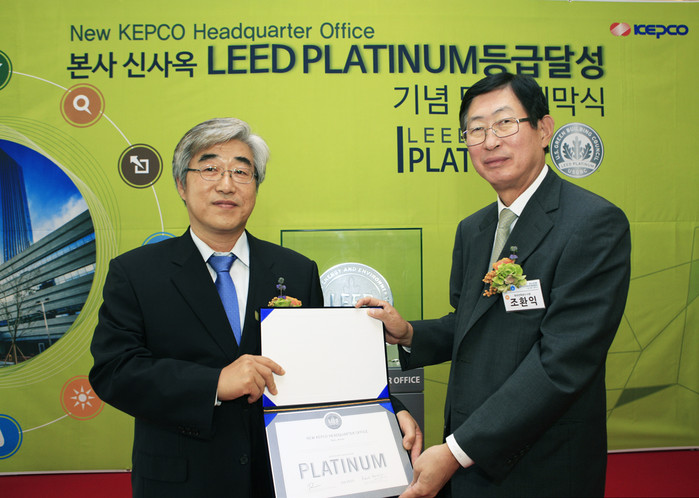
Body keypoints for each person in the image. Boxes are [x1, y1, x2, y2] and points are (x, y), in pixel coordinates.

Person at [89, 117, 422, 497]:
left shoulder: (296, 271)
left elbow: (324, 364)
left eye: (241, 172)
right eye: (210, 169)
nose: (226, 184)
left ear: (256, 186)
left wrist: (388, 409)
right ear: (181, 184)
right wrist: (214, 383)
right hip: (181, 482)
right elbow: (114, 371)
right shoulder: (136, 272)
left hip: (281, 478)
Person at [357, 73, 631, 498]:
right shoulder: (474, 229)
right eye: (476, 129)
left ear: (544, 130)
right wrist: (408, 333)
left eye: (505, 123)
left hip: (542, 466)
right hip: (470, 456)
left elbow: (562, 363)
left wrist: (455, 452)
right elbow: (472, 323)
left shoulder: (592, 223)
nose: (490, 141)